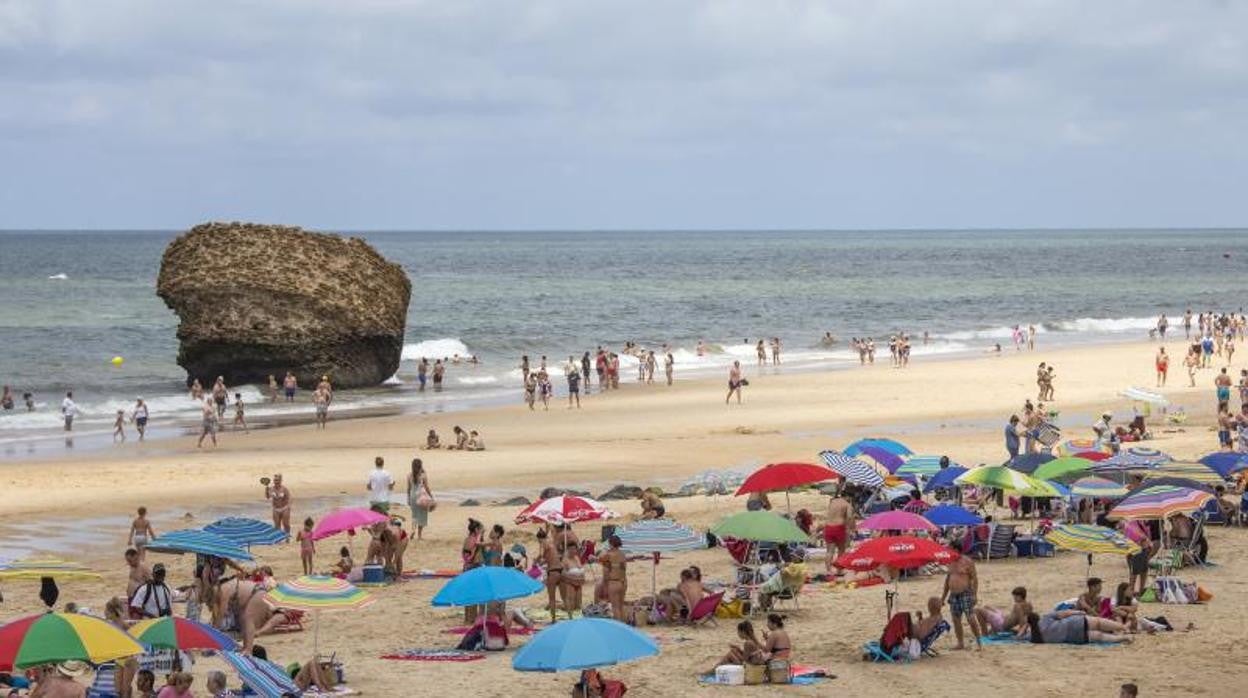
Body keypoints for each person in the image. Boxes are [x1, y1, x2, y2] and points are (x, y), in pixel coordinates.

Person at [941, 554, 982, 649]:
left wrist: (974, 594)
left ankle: (979, 642)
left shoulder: (968, 561)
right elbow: (947, 581)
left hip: (965, 593)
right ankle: (960, 643)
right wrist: (943, 597)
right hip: (954, 594)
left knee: (971, 618)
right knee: (956, 619)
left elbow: (974, 579)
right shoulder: (950, 562)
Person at [1023, 610, 1130, 644]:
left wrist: (1024, 627)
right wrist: (1078, 611)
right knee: (1099, 623)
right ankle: (1123, 627)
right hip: (1074, 623)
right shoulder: (1044, 619)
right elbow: (1063, 613)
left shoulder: (1033, 637)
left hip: (1073, 637)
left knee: (1099, 636)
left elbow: (1018, 637)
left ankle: (1123, 638)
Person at [537, 528, 566, 623]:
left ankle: (553, 620)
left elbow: (541, 556)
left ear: (539, 539)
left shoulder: (543, 544)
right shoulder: (552, 543)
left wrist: (536, 561)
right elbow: (550, 558)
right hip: (561, 571)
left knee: (552, 599)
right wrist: (542, 562)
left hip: (553, 572)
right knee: (564, 598)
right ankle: (570, 618)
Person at [823, 490, 855, 572]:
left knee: (829, 551)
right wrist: (851, 528)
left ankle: (828, 571)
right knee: (841, 550)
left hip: (828, 527)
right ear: (848, 497)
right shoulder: (847, 505)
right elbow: (849, 517)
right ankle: (839, 571)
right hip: (839, 527)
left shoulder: (832, 501)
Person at [599, 535, 628, 622]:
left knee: (615, 607)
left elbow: (605, 570)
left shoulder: (608, 555)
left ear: (611, 544)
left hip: (613, 582)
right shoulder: (622, 554)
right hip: (623, 582)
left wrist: (604, 586)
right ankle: (624, 626)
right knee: (621, 606)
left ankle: (619, 628)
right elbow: (623, 568)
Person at [407, 459, 433, 540]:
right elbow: (426, 487)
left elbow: (408, 488)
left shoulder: (409, 475)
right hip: (421, 497)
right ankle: (419, 535)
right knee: (422, 515)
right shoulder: (423, 475)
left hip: (412, 496)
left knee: (414, 515)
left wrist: (408, 498)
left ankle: (412, 530)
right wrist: (431, 496)